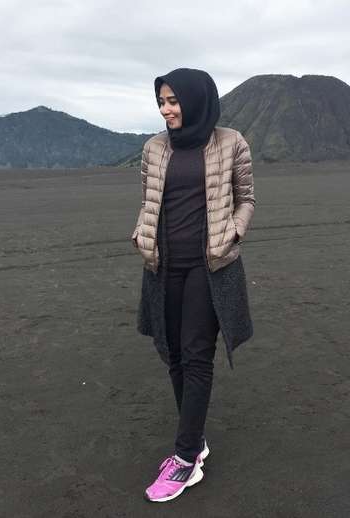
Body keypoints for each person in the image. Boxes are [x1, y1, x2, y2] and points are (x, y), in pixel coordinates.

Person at [131, 68, 255, 503]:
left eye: (174, 101)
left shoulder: (231, 142)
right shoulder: (153, 148)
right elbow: (149, 200)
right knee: (174, 354)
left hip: (210, 267)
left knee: (197, 354)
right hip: (164, 265)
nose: (166, 109)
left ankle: (186, 459)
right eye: (162, 102)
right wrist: (141, 235)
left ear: (196, 100)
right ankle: (196, 440)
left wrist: (234, 233)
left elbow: (247, 198)